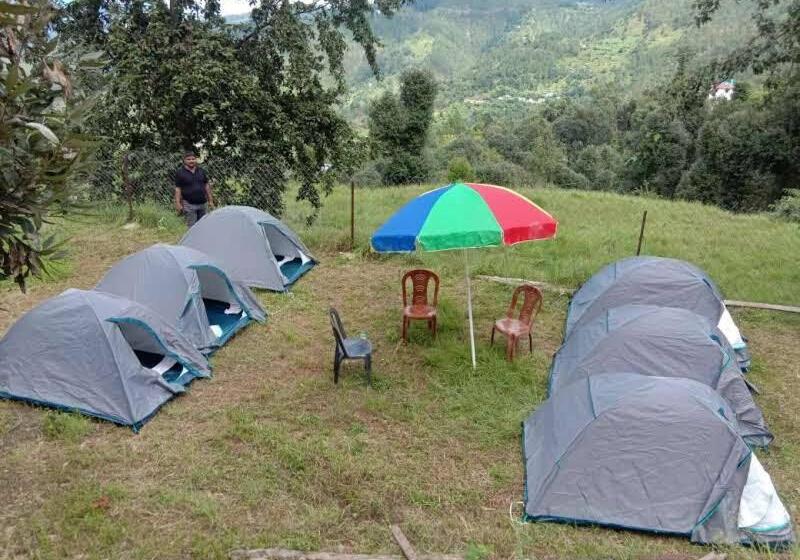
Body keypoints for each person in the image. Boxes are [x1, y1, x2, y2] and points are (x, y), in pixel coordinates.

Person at [174, 152, 214, 227]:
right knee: (192, 227)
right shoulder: (180, 173)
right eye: (188, 159)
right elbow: (178, 189)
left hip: (203, 204)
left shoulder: (201, 171)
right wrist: (178, 204)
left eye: (193, 159)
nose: (191, 161)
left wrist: (210, 201)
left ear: (196, 160)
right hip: (189, 204)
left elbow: (206, 186)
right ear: (184, 160)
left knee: (203, 225)